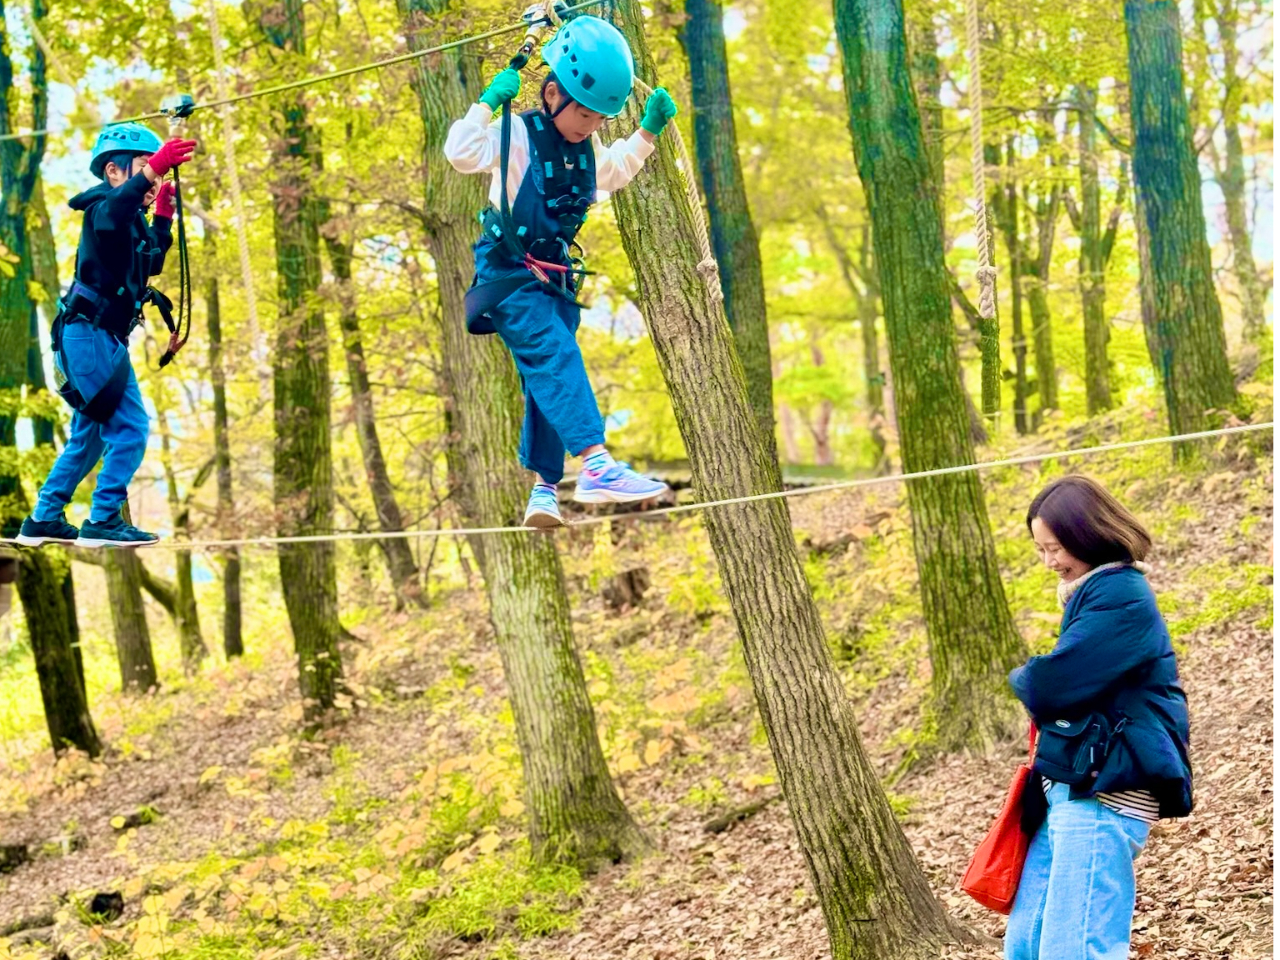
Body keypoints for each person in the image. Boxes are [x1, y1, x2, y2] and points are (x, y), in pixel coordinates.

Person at [444, 14, 679, 528]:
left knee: (545, 379)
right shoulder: (517, 135)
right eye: (586, 115)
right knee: (556, 354)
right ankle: (596, 464)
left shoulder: (587, 149)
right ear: (552, 93)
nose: (591, 126)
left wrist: (646, 132)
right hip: (508, 276)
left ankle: (544, 490)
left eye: (600, 119)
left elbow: (612, 173)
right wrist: (485, 105)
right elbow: (459, 153)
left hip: (554, 280)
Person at [1005, 475, 1193, 960]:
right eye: (1041, 550)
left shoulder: (1121, 596)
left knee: (1076, 950)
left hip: (1105, 791)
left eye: (1057, 547)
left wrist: (1024, 676)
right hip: (1073, 789)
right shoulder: (1095, 595)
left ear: (1089, 533)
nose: (1050, 563)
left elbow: (1049, 685)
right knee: (1027, 946)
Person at [16, 124, 197, 548]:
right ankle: (103, 518)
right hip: (89, 335)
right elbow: (117, 211)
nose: (152, 179)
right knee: (131, 427)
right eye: (141, 168)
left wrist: (165, 216)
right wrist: (155, 168)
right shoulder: (104, 209)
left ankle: (43, 517)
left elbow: (149, 260)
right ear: (114, 172)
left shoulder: (130, 222)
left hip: (95, 339)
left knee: (91, 435)